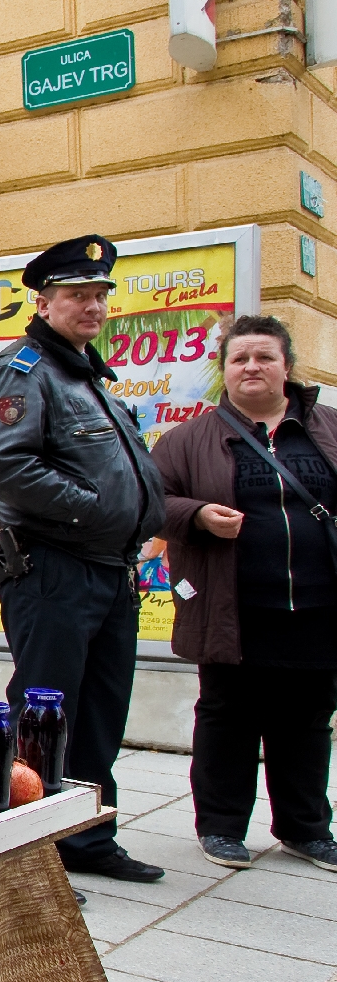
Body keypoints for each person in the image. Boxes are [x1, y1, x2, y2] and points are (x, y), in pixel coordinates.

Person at [0, 233, 166, 884]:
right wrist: (95, 508)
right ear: (44, 301)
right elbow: (4, 465)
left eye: (100, 294)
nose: (93, 306)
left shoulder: (88, 377)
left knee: (101, 716)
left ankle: (86, 837)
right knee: (43, 717)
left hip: (109, 571)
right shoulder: (23, 370)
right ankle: (24, 854)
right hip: (53, 568)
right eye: (78, 294)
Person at [152, 314, 337, 873]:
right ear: (225, 369)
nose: (251, 367)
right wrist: (197, 515)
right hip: (231, 605)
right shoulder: (188, 440)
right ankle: (222, 827)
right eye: (240, 358)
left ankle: (306, 829)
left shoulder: (328, 428)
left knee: (307, 721)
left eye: (264, 357)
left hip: (318, 607)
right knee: (227, 716)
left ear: (287, 366)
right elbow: (150, 501)